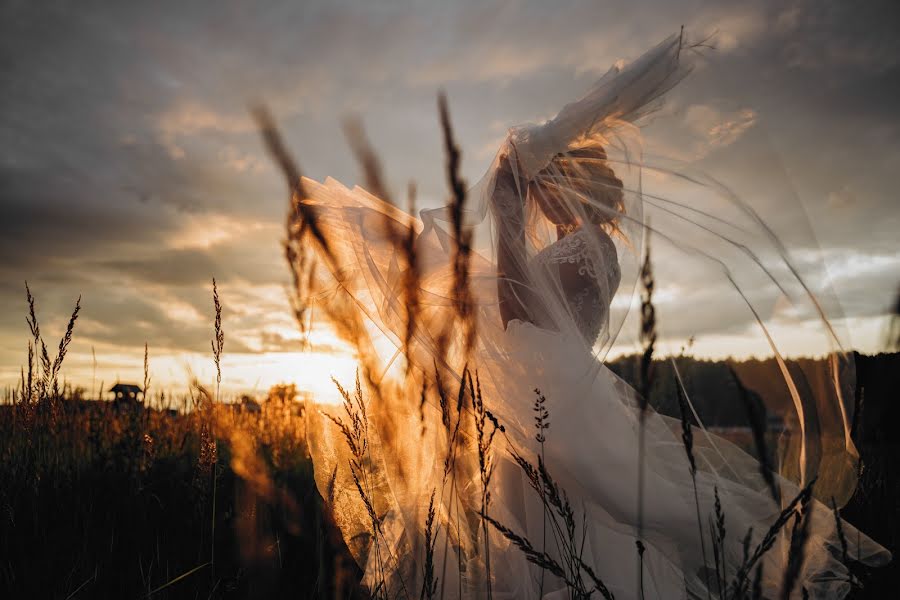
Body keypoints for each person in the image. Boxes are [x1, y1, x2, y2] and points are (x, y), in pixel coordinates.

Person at [271, 33, 890, 599]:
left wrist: (507, 217)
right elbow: (510, 304)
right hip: (546, 401)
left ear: (566, 183)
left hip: (550, 410)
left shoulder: (588, 247)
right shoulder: (580, 247)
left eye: (542, 183)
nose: (533, 192)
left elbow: (517, 312)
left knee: (556, 532)